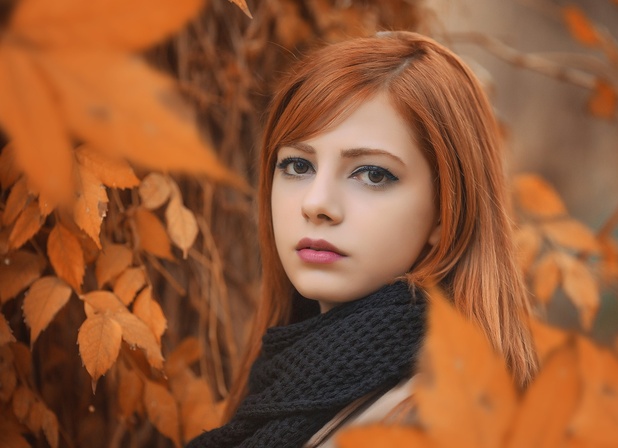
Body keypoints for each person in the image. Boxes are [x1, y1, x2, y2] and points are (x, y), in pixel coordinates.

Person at [188, 30, 537, 448]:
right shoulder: (288, 384)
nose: (317, 204)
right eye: (298, 165)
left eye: (372, 174)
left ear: (446, 213)